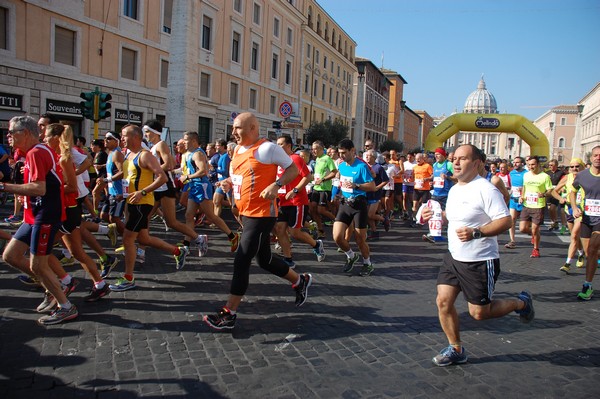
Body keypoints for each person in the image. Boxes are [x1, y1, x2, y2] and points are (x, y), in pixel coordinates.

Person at [421, 144, 534, 367]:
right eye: (454, 158)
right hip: (453, 258)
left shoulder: (486, 189)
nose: (455, 162)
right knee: (443, 302)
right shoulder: (455, 188)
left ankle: (521, 303)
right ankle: (456, 349)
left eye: (462, 159)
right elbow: (453, 218)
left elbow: (505, 220)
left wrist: (477, 232)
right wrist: (435, 215)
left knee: (480, 313)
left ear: (476, 164)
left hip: (480, 261)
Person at [203, 112, 311, 330]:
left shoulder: (268, 148)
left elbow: (293, 170)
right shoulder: (238, 152)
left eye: (238, 128)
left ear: (253, 128)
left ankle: (229, 313)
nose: (233, 132)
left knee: (242, 260)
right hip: (246, 212)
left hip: (262, 214)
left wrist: (277, 184)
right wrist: (227, 183)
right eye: (233, 128)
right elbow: (240, 178)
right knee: (265, 260)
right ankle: (300, 281)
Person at [1, 115, 77, 325]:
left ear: (24, 133)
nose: (8, 136)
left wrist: (3, 187)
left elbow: (39, 188)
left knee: (38, 265)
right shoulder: (33, 152)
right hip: (33, 215)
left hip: (45, 215)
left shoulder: (36, 153)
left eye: (11, 132)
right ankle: (54, 285)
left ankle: (66, 306)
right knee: (11, 255)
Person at [109, 124, 190, 292]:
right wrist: (122, 194)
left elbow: (161, 177)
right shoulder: (128, 155)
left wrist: (142, 192)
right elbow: (129, 178)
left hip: (142, 204)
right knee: (144, 239)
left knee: (127, 239)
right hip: (131, 202)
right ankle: (177, 251)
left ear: (136, 137)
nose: (121, 138)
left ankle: (128, 278)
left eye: (124, 135)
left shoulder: (145, 156)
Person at [143, 120, 209, 256]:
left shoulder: (161, 145)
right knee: (145, 218)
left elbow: (169, 164)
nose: (146, 134)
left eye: (148, 131)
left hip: (165, 187)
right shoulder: (153, 146)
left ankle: (199, 238)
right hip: (157, 187)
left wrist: (152, 171)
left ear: (155, 132)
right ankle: (140, 251)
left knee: (171, 222)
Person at [179, 131, 239, 254]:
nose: (183, 142)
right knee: (189, 216)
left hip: (202, 186)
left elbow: (203, 171)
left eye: (186, 140)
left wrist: (187, 177)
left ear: (194, 141)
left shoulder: (198, 154)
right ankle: (186, 244)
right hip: (194, 186)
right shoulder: (189, 154)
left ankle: (232, 236)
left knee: (211, 216)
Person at [274, 135, 325, 267]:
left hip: (297, 202)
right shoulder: (278, 162)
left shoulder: (295, 159)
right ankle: (288, 259)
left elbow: (308, 177)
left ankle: (316, 244)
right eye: (277, 144)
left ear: (288, 146)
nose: (277, 146)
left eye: (280, 144)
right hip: (282, 202)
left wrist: (294, 190)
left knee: (294, 232)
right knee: (280, 230)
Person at [334, 139, 376, 276]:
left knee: (360, 240)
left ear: (352, 151)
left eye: (344, 153)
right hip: (345, 203)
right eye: (339, 153)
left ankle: (367, 263)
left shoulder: (361, 167)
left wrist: (357, 185)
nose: (341, 156)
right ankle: (351, 256)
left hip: (359, 205)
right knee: (337, 237)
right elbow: (339, 179)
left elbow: (372, 186)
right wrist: (336, 192)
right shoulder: (341, 165)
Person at [571, 145, 600, 301]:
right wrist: (574, 207)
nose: (598, 158)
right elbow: (572, 191)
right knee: (589, 253)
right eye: (595, 155)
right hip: (587, 218)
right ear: (591, 158)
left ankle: (587, 285)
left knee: (594, 250)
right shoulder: (582, 176)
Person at [552, 158, 586, 273]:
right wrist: (561, 199)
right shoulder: (567, 178)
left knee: (575, 235)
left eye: (577, 166)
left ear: (583, 166)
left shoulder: (588, 178)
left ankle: (567, 263)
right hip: (570, 210)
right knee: (575, 236)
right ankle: (581, 253)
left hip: (582, 211)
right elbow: (554, 191)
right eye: (572, 167)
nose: (574, 169)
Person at [519, 156, 553, 258]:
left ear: (538, 164)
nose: (531, 166)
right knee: (522, 229)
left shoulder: (545, 176)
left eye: (533, 164)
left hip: (538, 206)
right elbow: (524, 187)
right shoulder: (526, 175)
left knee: (535, 229)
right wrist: (522, 196)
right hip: (527, 205)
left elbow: (550, 190)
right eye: (529, 165)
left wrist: (543, 194)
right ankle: (533, 234)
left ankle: (536, 249)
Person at [424, 147, 454, 243]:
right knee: (434, 214)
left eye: (438, 154)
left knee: (446, 215)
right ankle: (433, 234)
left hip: (446, 194)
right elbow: (435, 176)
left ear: (443, 155)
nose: (436, 156)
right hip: (436, 193)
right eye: (435, 154)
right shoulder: (435, 165)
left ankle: (452, 234)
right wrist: (430, 179)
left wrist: (447, 177)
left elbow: (457, 176)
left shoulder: (448, 165)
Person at [309, 140, 338, 239]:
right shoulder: (316, 159)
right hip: (316, 187)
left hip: (325, 188)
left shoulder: (327, 159)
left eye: (316, 149)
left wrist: (323, 179)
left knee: (321, 210)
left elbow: (334, 172)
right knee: (312, 208)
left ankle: (337, 220)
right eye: (313, 149)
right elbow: (317, 174)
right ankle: (320, 230)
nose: (314, 151)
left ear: (321, 149)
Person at [364, 149, 389, 240]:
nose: (366, 157)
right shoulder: (364, 166)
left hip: (375, 194)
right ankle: (374, 232)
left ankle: (384, 219)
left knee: (370, 215)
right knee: (367, 215)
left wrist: (377, 187)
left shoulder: (378, 167)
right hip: (366, 193)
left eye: (368, 155)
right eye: (366, 155)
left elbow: (386, 180)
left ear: (374, 157)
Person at [504, 157, 527, 249]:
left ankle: (533, 233)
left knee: (525, 224)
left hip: (524, 200)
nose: (515, 164)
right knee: (512, 219)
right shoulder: (511, 173)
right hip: (513, 199)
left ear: (522, 163)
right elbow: (510, 185)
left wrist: (523, 191)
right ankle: (512, 240)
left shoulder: (526, 174)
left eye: (517, 162)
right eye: (514, 162)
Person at [545, 159, 566, 231]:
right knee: (549, 209)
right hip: (548, 193)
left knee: (552, 208)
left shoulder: (561, 173)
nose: (550, 167)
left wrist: (561, 188)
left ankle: (554, 222)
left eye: (552, 165)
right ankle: (554, 222)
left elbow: (563, 182)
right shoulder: (547, 173)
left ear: (556, 166)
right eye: (549, 165)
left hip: (556, 193)